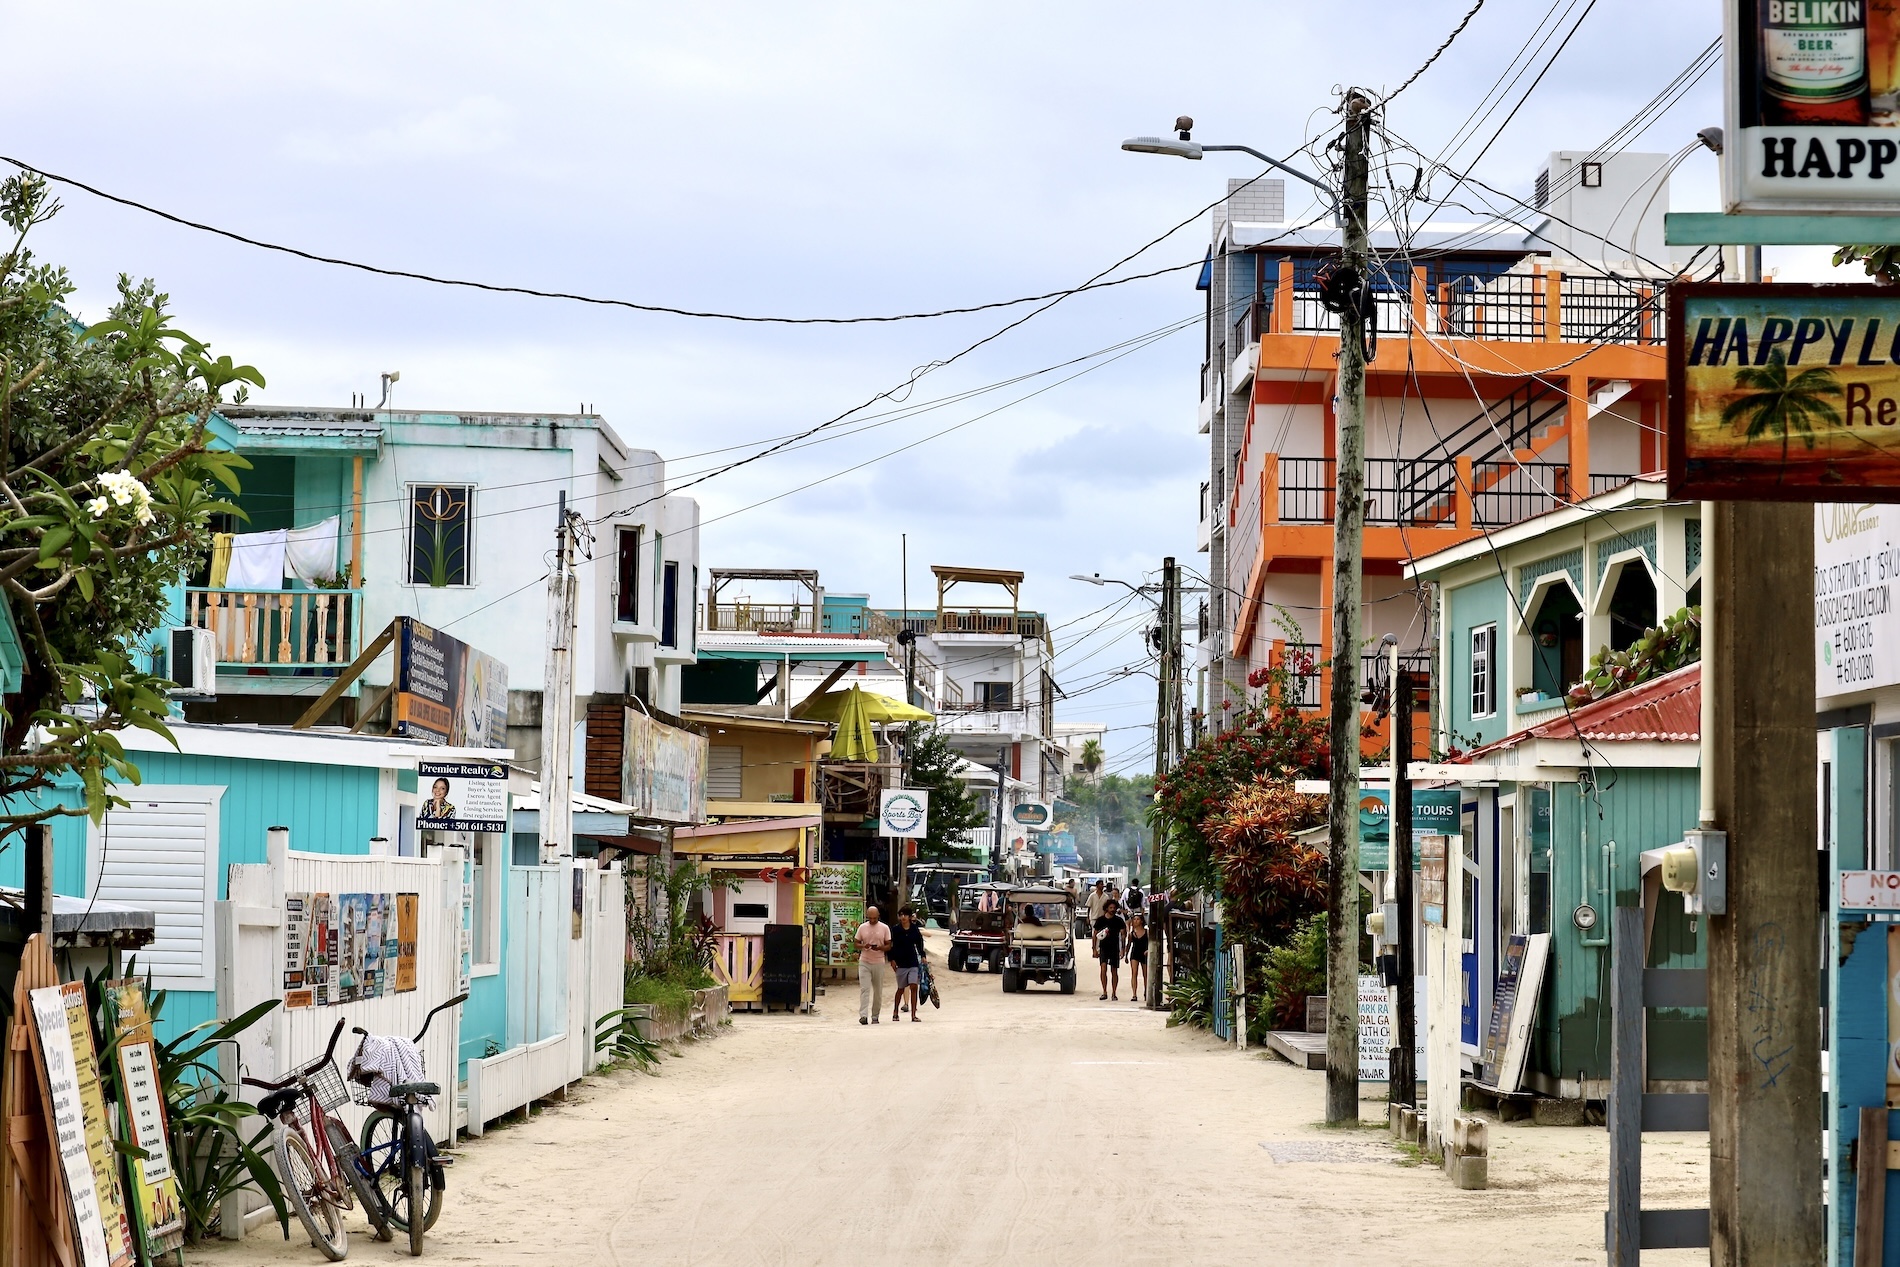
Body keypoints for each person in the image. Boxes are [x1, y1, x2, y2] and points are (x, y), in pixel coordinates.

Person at [888, 906, 928, 1022]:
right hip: (900, 962)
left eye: (905, 915)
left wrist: (923, 956)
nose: (903, 917)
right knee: (900, 989)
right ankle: (895, 1011)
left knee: (913, 986)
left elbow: (919, 943)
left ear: (910, 917)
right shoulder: (895, 930)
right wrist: (892, 960)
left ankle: (914, 1014)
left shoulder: (914, 929)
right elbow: (891, 946)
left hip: (913, 961)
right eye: (901, 915)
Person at [856, 906, 892, 1025]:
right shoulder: (862, 927)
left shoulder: (884, 928)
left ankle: (875, 1015)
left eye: (874, 918)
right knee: (864, 989)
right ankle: (863, 1015)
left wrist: (880, 948)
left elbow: (888, 945)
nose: (872, 920)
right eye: (870, 918)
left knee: (878, 991)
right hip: (865, 961)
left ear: (878, 916)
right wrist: (863, 946)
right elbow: (856, 943)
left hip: (878, 961)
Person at [1093, 898, 1126, 1000]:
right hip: (1103, 947)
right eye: (1110, 907)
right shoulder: (1100, 920)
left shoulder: (1119, 920)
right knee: (1103, 969)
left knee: (1114, 970)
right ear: (1106, 908)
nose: (1112, 909)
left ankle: (1114, 992)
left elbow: (1123, 935)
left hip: (1114, 947)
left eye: (1114, 908)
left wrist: (1123, 949)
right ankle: (1104, 991)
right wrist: (1094, 949)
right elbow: (1094, 935)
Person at [1126, 913, 1149, 1003]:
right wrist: (1126, 955)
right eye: (1134, 919)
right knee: (1134, 973)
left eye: (1138, 919)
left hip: (1144, 953)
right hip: (1134, 953)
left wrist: (1148, 950)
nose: (1136, 921)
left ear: (1142, 921)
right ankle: (1134, 994)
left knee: (1145, 974)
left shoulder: (1147, 932)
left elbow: (1151, 943)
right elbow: (1129, 944)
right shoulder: (1132, 934)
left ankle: (1146, 991)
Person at [1086, 882, 1107, 954]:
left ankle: (1099, 949)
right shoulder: (1092, 895)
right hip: (1094, 917)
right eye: (1101, 884)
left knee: (1101, 934)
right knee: (1094, 933)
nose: (1102, 886)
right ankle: (1094, 949)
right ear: (1097, 886)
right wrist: (1087, 917)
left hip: (1102, 918)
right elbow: (1089, 907)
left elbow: (1107, 908)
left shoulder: (1106, 896)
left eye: (1102, 884)